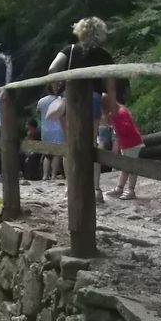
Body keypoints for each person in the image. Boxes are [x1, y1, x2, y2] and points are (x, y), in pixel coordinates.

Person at [49, 17, 117, 202]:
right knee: (92, 143)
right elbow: (110, 86)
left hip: (69, 99)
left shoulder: (69, 50)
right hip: (92, 99)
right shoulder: (104, 55)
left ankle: (70, 187)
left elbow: (52, 68)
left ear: (79, 31)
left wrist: (57, 91)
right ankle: (95, 189)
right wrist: (112, 109)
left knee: (69, 142)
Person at [102, 94, 144, 200]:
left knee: (132, 167)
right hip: (126, 144)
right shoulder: (115, 113)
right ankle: (119, 188)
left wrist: (114, 121)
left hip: (133, 143)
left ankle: (131, 190)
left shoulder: (121, 112)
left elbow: (127, 129)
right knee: (125, 167)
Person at [37, 86, 66, 180]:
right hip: (57, 129)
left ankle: (45, 175)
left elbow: (38, 112)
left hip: (45, 130)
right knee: (57, 153)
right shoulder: (59, 99)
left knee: (47, 154)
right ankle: (53, 175)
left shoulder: (41, 101)